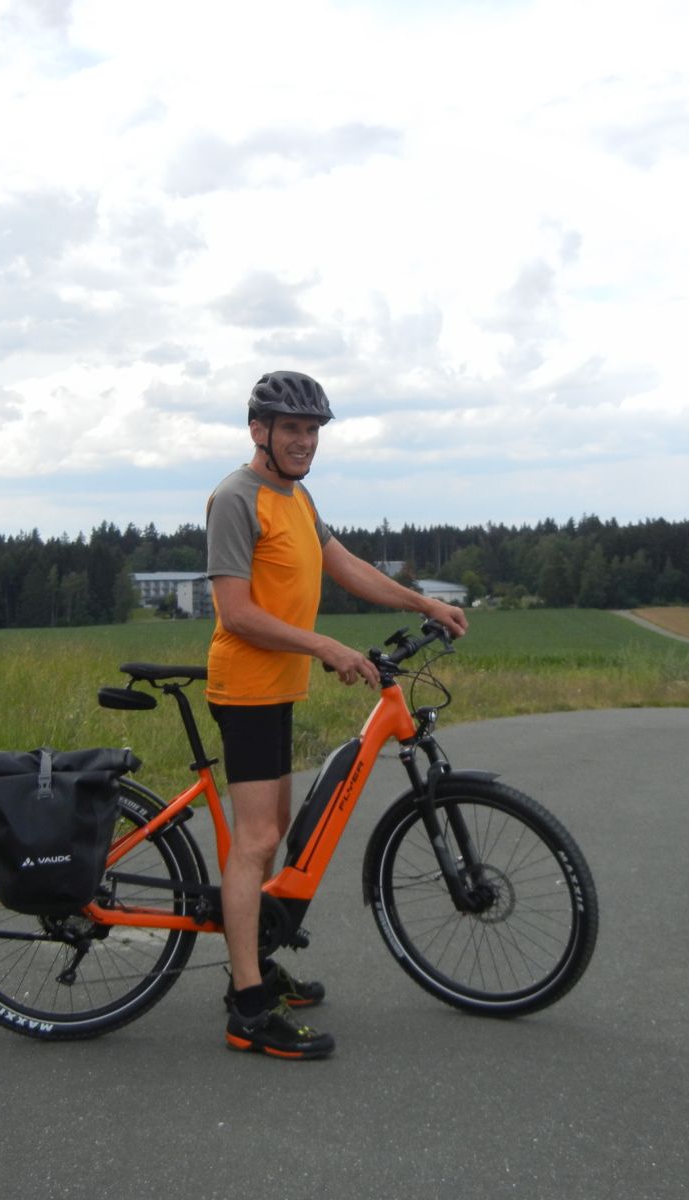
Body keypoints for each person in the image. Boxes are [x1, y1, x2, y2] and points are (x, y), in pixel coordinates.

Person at [205, 369, 469, 1060]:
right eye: (291, 428)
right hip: (247, 688)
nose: (303, 441)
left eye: (312, 430)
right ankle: (247, 1005)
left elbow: (345, 566)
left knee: (275, 834)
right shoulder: (236, 498)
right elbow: (236, 612)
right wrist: (326, 644)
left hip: (279, 686)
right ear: (258, 430)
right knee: (256, 842)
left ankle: (257, 959)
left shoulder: (296, 498)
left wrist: (422, 602)